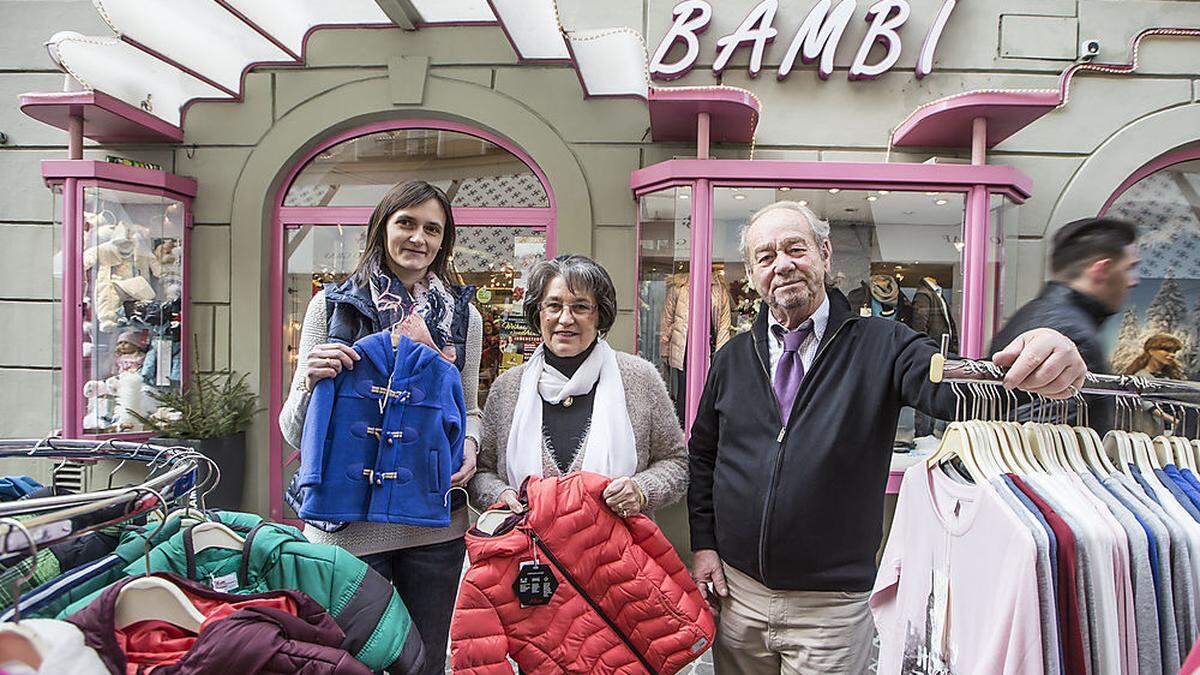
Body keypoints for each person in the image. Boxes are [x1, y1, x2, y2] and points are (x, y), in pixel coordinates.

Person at [687, 201, 1088, 674]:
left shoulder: (883, 343)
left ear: (824, 254)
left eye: (796, 248)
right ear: (753, 274)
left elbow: (954, 392)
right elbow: (705, 456)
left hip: (830, 612)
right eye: (766, 256)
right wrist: (704, 545)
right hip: (739, 599)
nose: (783, 264)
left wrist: (1036, 359)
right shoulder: (732, 357)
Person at [278, 180, 482, 675]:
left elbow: (469, 406)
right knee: (346, 664)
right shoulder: (330, 308)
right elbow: (292, 430)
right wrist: (308, 382)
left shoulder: (463, 318)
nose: (419, 239)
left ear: (444, 241)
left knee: (428, 663)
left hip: (433, 529)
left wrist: (472, 444)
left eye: (432, 229)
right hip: (345, 532)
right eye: (406, 223)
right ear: (382, 228)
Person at [472, 254, 688, 520]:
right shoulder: (507, 388)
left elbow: (676, 462)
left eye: (581, 307)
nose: (565, 319)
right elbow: (482, 472)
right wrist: (499, 496)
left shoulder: (640, 378)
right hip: (528, 553)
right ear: (538, 312)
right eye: (553, 305)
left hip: (617, 555)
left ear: (600, 315)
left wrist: (641, 490)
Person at [990, 216, 1140, 431]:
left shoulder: (1037, 314)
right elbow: (1045, 447)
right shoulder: (1067, 335)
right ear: (1102, 269)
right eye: (1129, 268)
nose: (1134, 281)